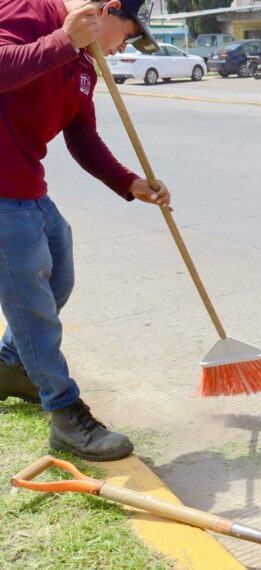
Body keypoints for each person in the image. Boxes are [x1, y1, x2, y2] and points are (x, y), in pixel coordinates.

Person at [0, 0, 170, 461]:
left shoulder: (83, 63)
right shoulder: (27, 12)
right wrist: (63, 40)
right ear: (109, 11)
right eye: (129, 34)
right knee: (32, 305)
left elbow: (82, 135)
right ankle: (66, 416)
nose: (123, 48)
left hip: (27, 187)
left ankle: (9, 367)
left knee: (59, 276)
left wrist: (128, 182)